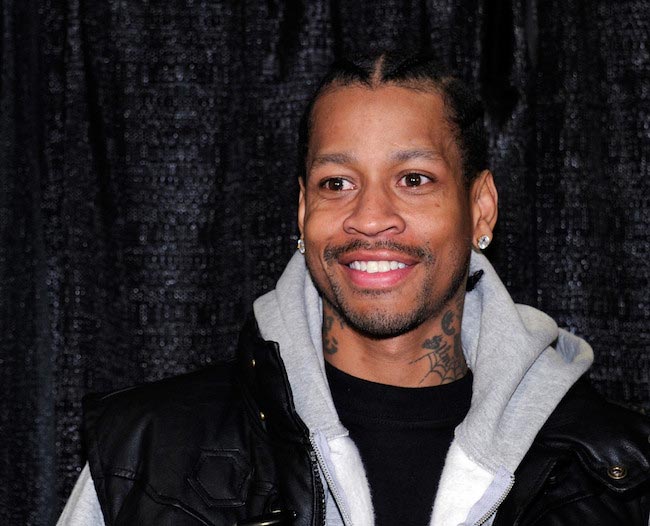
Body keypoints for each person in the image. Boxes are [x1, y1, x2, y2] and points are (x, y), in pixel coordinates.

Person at [57, 51, 650, 526]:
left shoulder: (621, 471)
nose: (369, 217)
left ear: (481, 208)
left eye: (413, 179)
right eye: (337, 182)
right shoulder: (148, 451)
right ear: (301, 208)